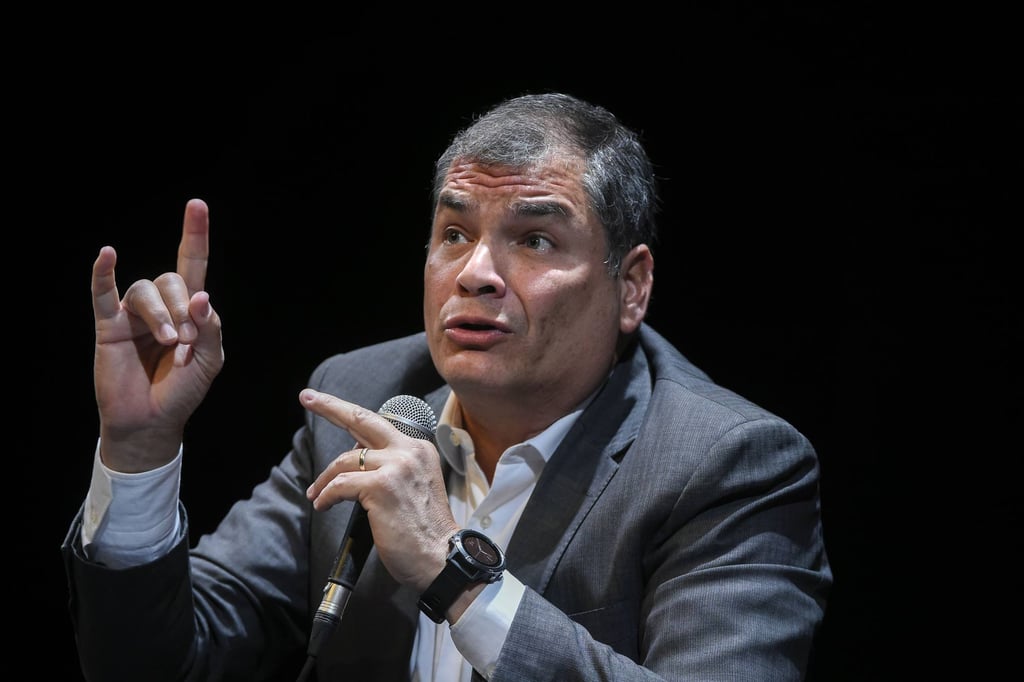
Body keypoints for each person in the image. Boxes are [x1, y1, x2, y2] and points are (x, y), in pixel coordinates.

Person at [61, 92, 832, 681]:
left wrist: (452, 572)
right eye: (454, 234)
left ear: (630, 287)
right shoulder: (362, 399)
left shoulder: (725, 464)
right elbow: (158, 661)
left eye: (534, 239)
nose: (477, 274)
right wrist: (139, 449)